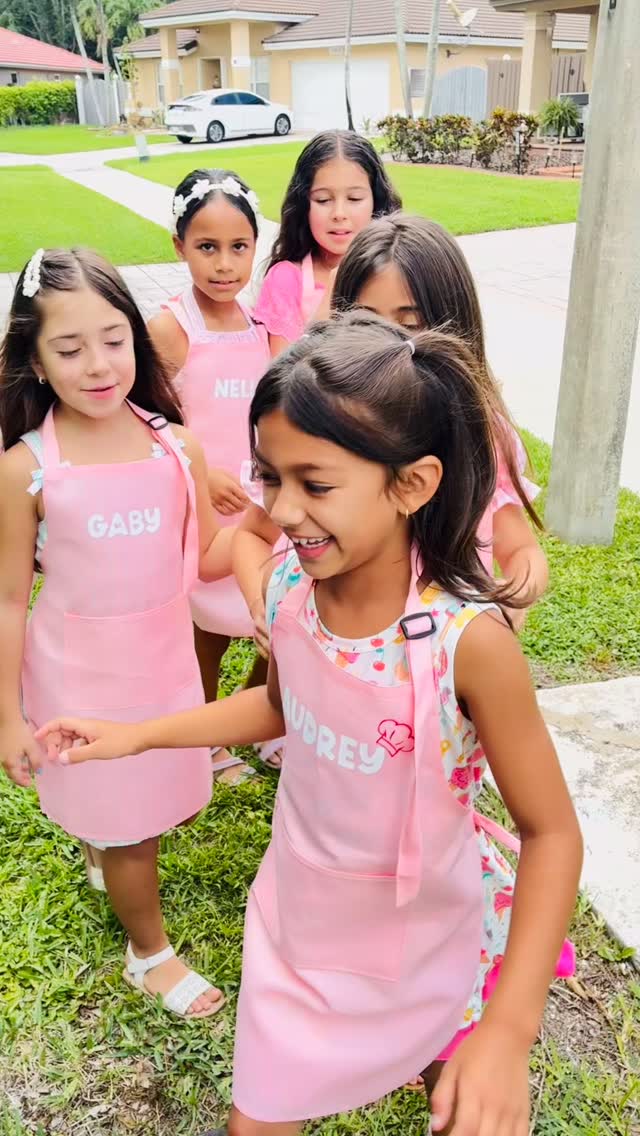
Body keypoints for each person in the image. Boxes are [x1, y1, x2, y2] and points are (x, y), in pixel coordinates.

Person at [36, 314, 582, 1136]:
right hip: (297, 926)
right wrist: (139, 734)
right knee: (257, 1118)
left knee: (458, 1095)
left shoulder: (469, 645)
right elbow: (281, 708)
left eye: (315, 485)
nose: (283, 510)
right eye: (269, 476)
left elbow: (552, 834)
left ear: (412, 484)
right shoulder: (292, 587)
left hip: (426, 940)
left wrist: (508, 1032)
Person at [0, 247, 233, 1019]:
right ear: (35, 361)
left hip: (164, 670)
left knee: (161, 802)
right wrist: (7, 718)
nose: (98, 365)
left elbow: (204, 559)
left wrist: (274, 526)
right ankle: (149, 954)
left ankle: (103, 844)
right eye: (69, 349)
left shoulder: (178, 447)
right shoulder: (24, 469)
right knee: (132, 828)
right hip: (79, 682)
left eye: (113, 340)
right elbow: (9, 600)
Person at [332, 213, 548, 623]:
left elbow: (521, 551)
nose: (387, 343)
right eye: (366, 322)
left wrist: (508, 607)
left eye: (410, 324)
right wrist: (262, 600)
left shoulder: (483, 435)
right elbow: (258, 535)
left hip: (450, 652)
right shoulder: (324, 429)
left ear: (456, 328)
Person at [148, 169, 276, 781]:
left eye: (238, 247)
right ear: (179, 246)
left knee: (273, 612)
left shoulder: (261, 326)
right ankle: (203, 738)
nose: (224, 264)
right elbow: (147, 421)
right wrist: (201, 474)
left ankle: (260, 719)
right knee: (206, 632)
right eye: (207, 247)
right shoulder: (172, 329)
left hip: (261, 505)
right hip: (202, 511)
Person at [253, 130, 402, 353]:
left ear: (376, 200)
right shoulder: (286, 279)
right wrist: (331, 297)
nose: (339, 214)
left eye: (354, 199)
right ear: (304, 204)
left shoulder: (398, 270)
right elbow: (284, 372)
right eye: (323, 200)